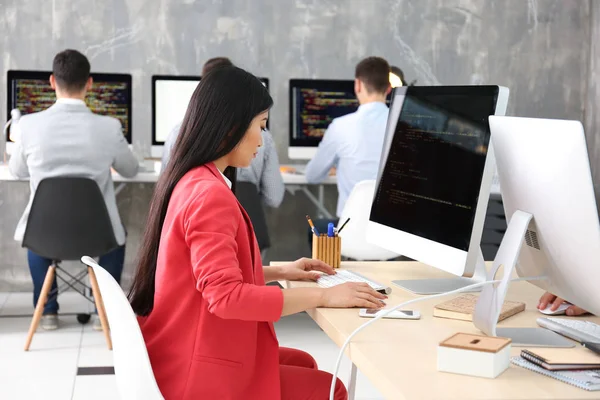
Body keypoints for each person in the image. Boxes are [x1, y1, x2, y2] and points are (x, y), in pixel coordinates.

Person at [128, 66, 386, 400]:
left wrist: (280, 271)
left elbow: (206, 278)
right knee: (331, 389)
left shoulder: (192, 180)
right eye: (261, 126)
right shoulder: (209, 195)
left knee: (304, 361)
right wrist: (325, 296)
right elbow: (225, 297)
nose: (263, 141)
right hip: (197, 370)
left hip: (182, 347)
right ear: (231, 127)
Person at [8, 49, 138, 331]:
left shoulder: (28, 126)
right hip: (97, 233)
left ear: (52, 82)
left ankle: (48, 312)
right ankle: (102, 312)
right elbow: (131, 170)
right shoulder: (109, 126)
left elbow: (17, 171)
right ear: (89, 83)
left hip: (45, 232)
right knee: (117, 236)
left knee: (36, 235)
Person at [161, 57, 284, 208]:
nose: (259, 141)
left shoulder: (177, 134)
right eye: (260, 125)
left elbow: (166, 190)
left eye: (262, 126)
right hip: (250, 218)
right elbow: (274, 198)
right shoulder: (211, 192)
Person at [305, 56, 392, 241]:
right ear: (389, 88)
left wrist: (337, 167)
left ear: (357, 85)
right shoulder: (403, 127)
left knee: (315, 231)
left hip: (350, 232)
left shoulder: (340, 126)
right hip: (391, 235)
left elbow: (312, 176)